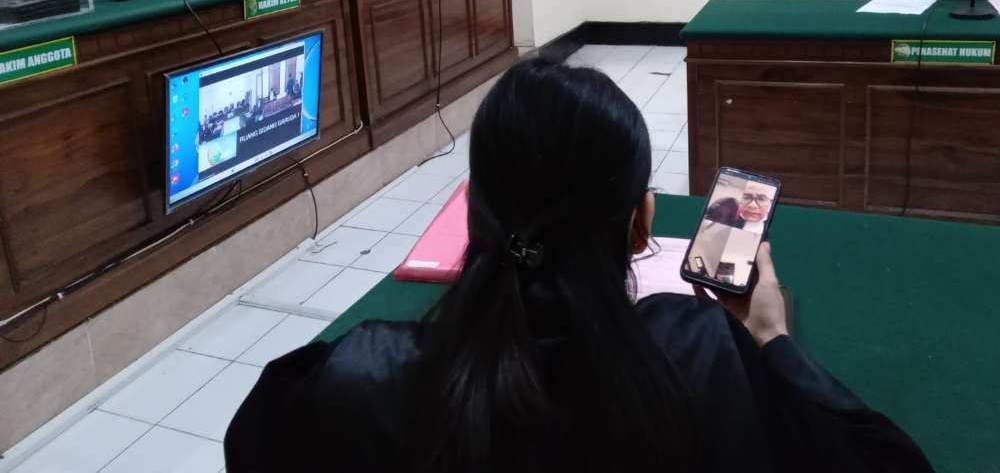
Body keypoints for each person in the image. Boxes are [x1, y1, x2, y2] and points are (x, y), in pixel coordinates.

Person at [224, 58, 932, 473]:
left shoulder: (352, 373)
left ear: (472, 216)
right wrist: (771, 339)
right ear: (640, 225)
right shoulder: (698, 351)